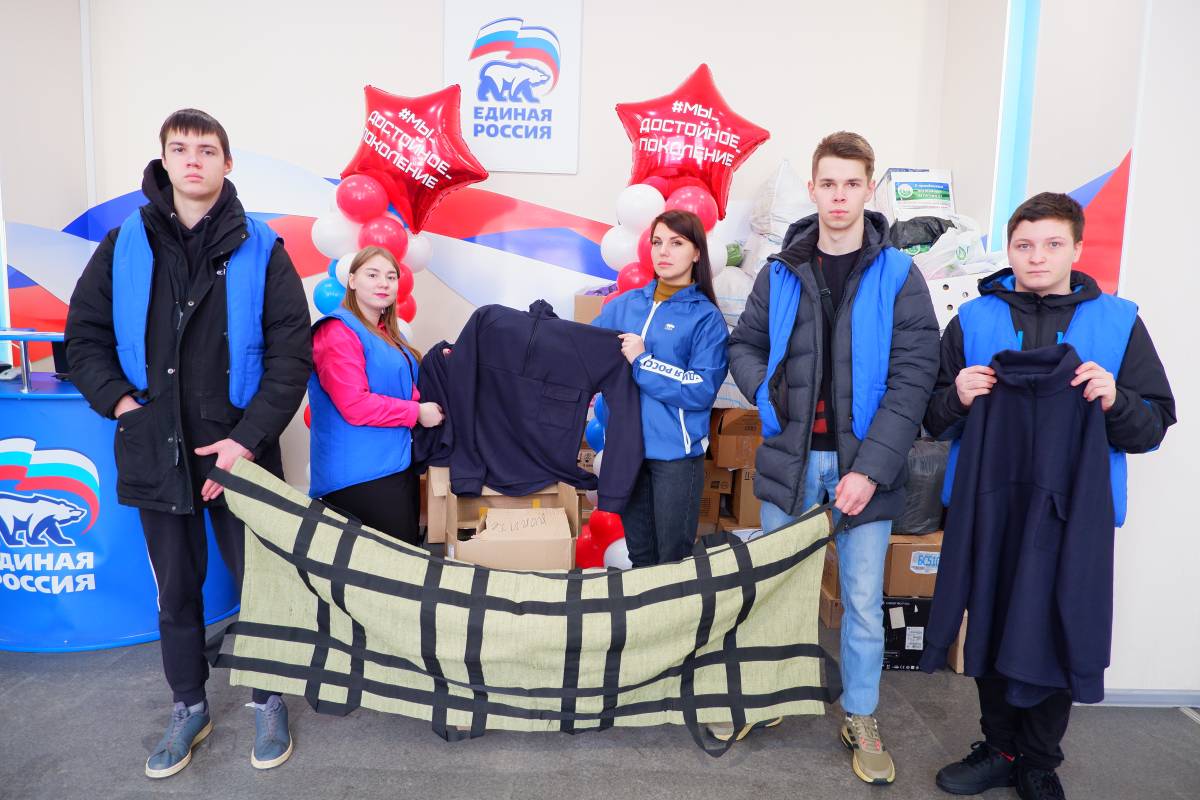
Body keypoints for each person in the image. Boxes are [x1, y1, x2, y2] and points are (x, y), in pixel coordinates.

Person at [65, 108, 312, 778]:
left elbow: (291, 355)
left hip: (242, 451)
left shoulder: (263, 248)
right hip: (155, 447)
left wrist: (245, 441)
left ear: (228, 164)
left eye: (207, 149)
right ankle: (188, 706)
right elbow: (83, 337)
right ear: (165, 161)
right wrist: (123, 405)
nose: (193, 160)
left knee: (263, 584)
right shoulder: (123, 245)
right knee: (177, 590)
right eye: (181, 149)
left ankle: (267, 698)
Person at [922, 192, 1175, 800]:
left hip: (1074, 513)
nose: (1037, 257)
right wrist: (956, 395)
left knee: (1060, 624)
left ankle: (1039, 760)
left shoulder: (1118, 322)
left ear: (1077, 248)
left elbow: (1153, 427)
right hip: (990, 508)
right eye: (1025, 245)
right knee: (989, 620)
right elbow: (931, 419)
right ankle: (1000, 748)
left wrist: (1116, 399)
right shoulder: (973, 320)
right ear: (1009, 251)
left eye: (1053, 244)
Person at [727, 131, 939, 780]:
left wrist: (869, 471)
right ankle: (767, 696)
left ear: (869, 189)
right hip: (791, 461)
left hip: (864, 468)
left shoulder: (899, 275)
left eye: (852, 184)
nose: (839, 196)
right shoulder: (780, 272)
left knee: (863, 603)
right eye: (828, 183)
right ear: (813, 189)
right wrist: (767, 395)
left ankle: (861, 715)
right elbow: (744, 345)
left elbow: (913, 379)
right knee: (773, 593)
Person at [592, 209, 729, 566]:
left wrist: (643, 361)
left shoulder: (706, 318)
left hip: (676, 457)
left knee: (672, 562)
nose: (663, 251)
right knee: (640, 559)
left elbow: (700, 388)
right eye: (657, 242)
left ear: (697, 253)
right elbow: (584, 352)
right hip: (629, 452)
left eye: (676, 243)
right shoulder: (624, 306)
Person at [308, 246, 443, 541]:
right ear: (352, 280)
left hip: (395, 466)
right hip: (359, 477)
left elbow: (406, 389)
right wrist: (417, 413)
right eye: (372, 275)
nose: (383, 283)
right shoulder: (336, 331)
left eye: (391, 277)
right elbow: (354, 404)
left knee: (403, 560)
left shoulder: (389, 335)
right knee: (384, 564)